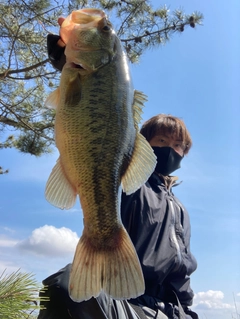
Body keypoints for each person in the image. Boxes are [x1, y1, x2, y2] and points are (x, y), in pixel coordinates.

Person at [38, 36, 198, 319]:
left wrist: (186, 311)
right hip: (130, 305)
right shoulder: (131, 183)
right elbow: (96, 131)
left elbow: (182, 271)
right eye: (162, 140)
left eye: (179, 146)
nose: (172, 150)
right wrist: (67, 62)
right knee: (62, 286)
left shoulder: (181, 211)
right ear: (139, 144)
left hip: (172, 313)